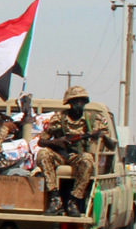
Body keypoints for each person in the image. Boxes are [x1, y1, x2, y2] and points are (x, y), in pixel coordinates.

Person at [33, 86, 117, 215]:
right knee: (43, 154)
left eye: (82, 101)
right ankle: (55, 198)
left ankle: (74, 200)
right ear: (69, 103)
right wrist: (57, 142)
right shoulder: (59, 118)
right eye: (75, 101)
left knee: (87, 159)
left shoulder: (93, 119)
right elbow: (41, 141)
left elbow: (111, 146)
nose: (79, 104)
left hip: (78, 156)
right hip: (61, 155)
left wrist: (101, 135)